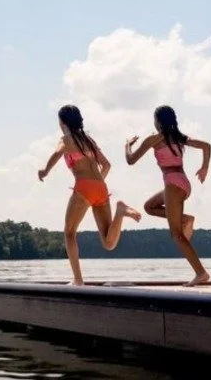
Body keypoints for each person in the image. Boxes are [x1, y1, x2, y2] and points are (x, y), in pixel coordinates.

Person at [38, 104, 141, 286]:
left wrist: (45, 171)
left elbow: (57, 152)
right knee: (109, 243)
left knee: (69, 233)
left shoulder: (67, 139)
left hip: (84, 187)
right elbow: (107, 165)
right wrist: (96, 184)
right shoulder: (89, 141)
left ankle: (78, 280)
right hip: (101, 187)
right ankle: (121, 211)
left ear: (62, 122)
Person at [125, 105, 211, 286]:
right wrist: (204, 168)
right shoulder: (179, 138)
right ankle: (185, 218)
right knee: (149, 207)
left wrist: (127, 145)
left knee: (176, 234)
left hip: (173, 184)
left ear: (157, 121)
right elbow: (206, 146)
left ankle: (201, 273)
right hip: (182, 184)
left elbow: (130, 160)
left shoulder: (154, 139)